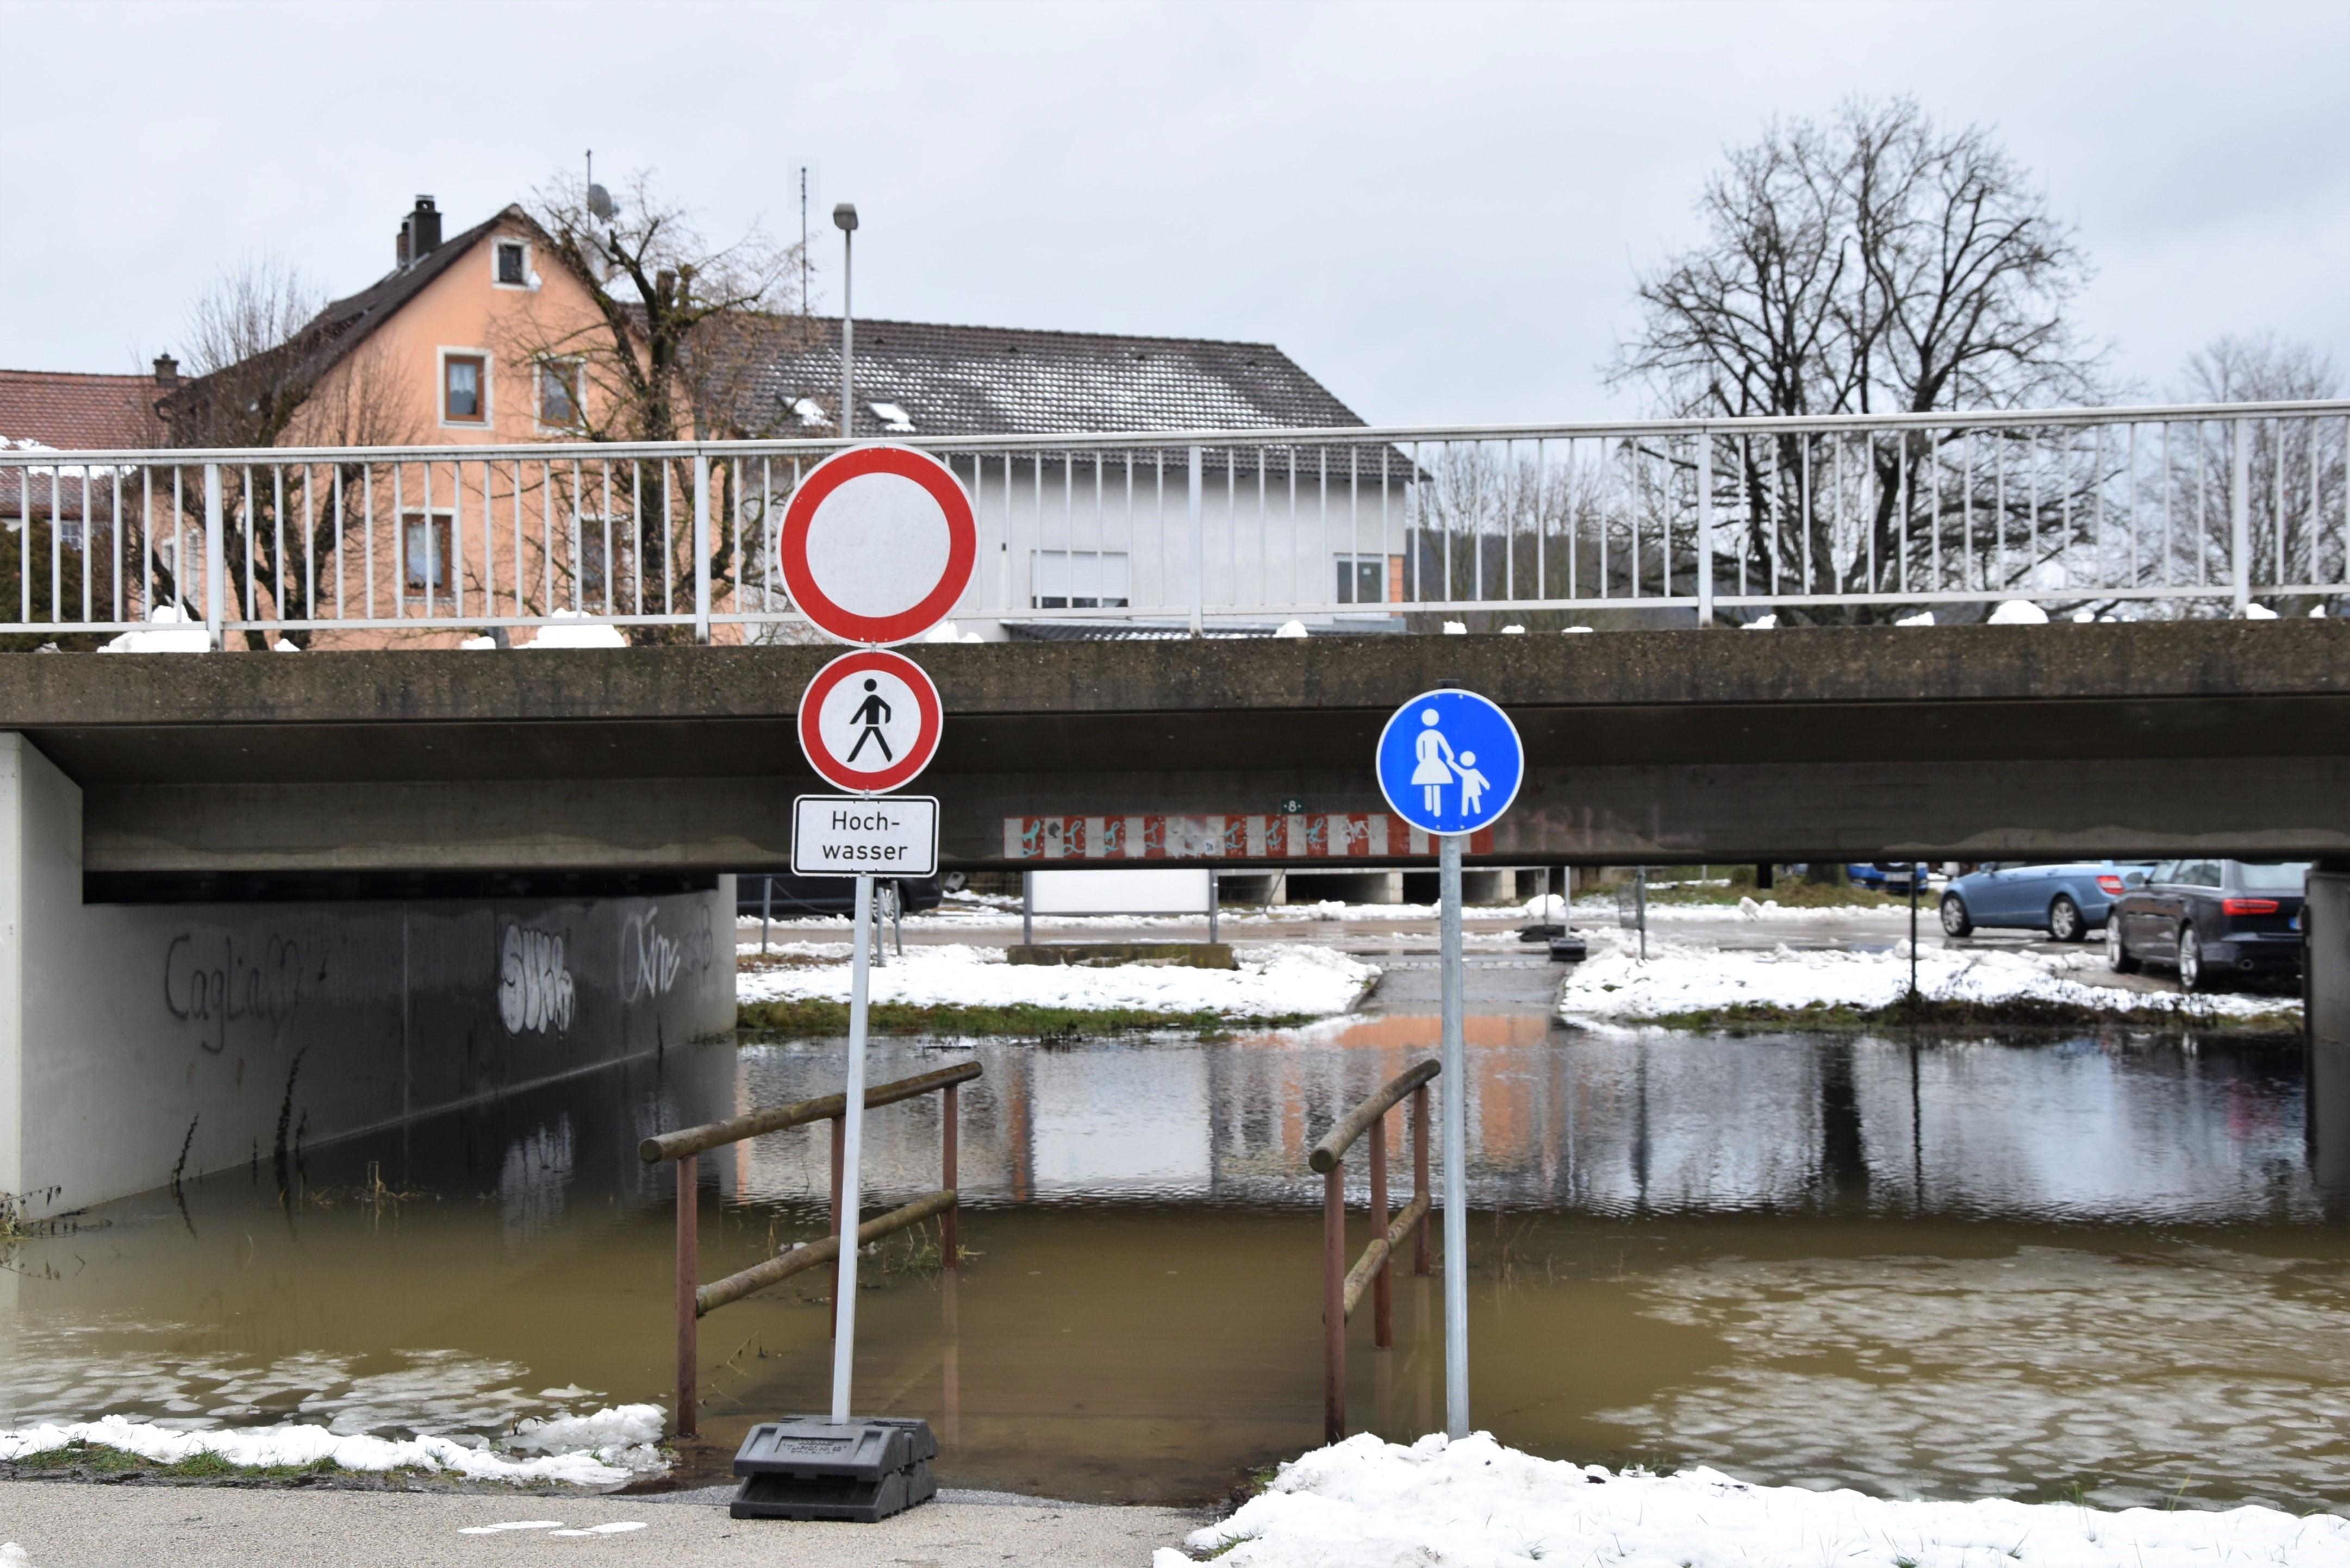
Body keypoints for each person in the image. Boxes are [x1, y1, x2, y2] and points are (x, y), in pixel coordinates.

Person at [1410, 708, 1456, 816]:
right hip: (1435, 762)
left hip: (1427, 762)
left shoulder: (1423, 735)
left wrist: (1423, 761)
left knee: (1429, 783)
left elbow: (1419, 753)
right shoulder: (1436, 734)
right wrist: (1450, 757)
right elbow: (1446, 748)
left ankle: (1430, 808)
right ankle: (1435, 810)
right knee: (1436, 784)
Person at [846, 677, 894, 763]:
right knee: (871, 740)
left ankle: (889, 757)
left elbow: (887, 708)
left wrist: (887, 720)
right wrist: (854, 721)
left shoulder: (873, 698)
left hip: (873, 724)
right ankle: (889, 757)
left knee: (867, 740)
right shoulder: (873, 698)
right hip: (871, 725)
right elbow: (862, 710)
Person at [1455, 751, 1491, 817]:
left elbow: (1481, 779)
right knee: (1467, 801)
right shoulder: (1470, 772)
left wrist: (1487, 785)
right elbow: (1458, 769)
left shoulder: (1473, 772)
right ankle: (1466, 813)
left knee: (1473, 801)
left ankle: (1474, 813)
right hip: (1469, 789)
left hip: (1473, 789)